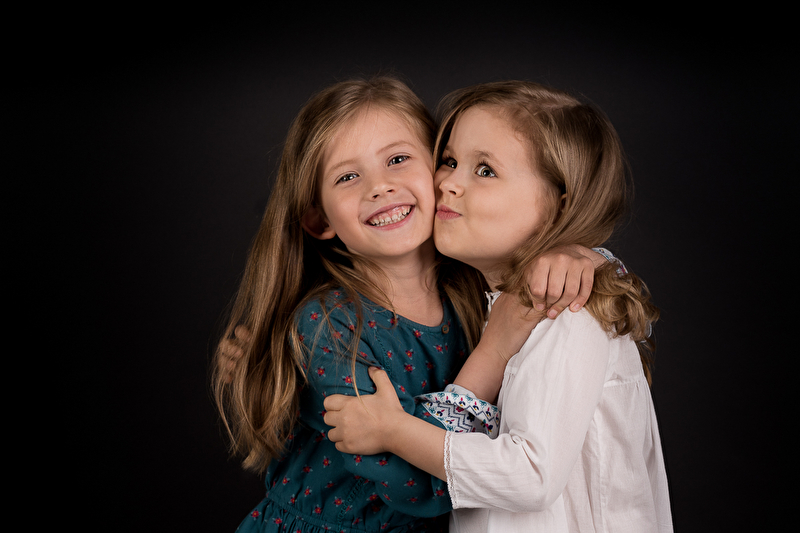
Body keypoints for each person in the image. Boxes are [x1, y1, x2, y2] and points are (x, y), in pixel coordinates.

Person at [212, 76, 605, 532]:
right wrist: (493, 353)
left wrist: (581, 253)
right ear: (320, 219)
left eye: (398, 160)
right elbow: (420, 484)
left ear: (438, 173)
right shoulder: (330, 325)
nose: (379, 187)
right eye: (348, 177)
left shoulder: (471, 287)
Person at [323, 80, 673, 532]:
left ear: (558, 205)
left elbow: (532, 476)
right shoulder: (487, 300)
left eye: (485, 170)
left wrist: (395, 430)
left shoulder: (567, 311)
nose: (449, 183)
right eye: (449, 161)